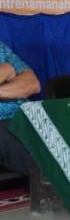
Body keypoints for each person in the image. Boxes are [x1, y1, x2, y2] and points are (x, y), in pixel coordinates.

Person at [0, 42, 40, 175]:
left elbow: (32, 84)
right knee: (11, 131)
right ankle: (47, 187)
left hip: (24, 115)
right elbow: (8, 69)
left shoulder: (1, 49)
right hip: (5, 124)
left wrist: (7, 69)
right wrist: (5, 70)